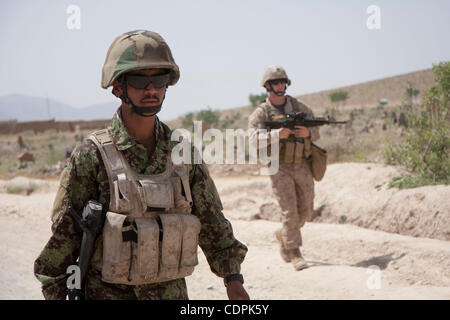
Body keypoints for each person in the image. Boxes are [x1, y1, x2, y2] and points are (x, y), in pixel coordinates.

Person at [34, 30, 249, 300]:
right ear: (117, 87)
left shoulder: (183, 154)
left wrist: (233, 279)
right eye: (139, 81)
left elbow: (211, 221)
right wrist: (57, 293)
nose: (151, 90)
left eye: (159, 80)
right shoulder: (91, 156)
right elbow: (66, 237)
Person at [248, 65, 320, 271]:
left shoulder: (300, 107)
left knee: (306, 210)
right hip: (278, 167)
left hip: (301, 164)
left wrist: (308, 133)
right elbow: (253, 140)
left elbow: (317, 131)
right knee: (290, 212)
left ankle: (283, 235)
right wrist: (276, 135)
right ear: (268, 86)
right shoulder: (261, 113)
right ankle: (294, 252)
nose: (280, 85)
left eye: (283, 81)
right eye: (276, 82)